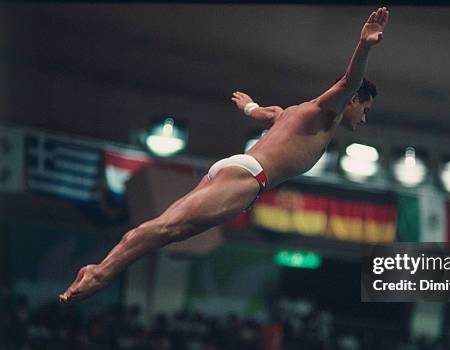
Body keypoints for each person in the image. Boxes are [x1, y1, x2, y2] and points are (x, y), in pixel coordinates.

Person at [59, 7, 390, 303]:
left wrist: (248, 107)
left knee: (172, 230)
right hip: (249, 177)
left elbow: (268, 113)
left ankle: (101, 269)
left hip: (235, 169)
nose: (363, 119)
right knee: (167, 229)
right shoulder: (326, 111)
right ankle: (100, 273)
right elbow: (350, 80)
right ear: (352, 100)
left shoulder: (297, 113)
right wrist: (365, 45)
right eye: (365, 109)